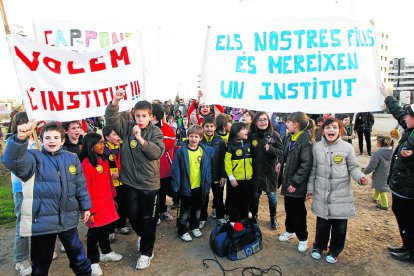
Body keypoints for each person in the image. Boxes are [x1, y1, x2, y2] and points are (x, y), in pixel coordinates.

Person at [2, 122, 92, 276]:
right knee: (40, 266)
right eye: (48, 137)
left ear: (63, 140)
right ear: (41, 140)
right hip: (42, 223)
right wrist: (19, 139)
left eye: (56, 137)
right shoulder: (33, 157)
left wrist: (86, 206)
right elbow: (11, 161)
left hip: (67, 221)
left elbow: (80, 185)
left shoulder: (71, 159)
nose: (52, 141)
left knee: (80, 261)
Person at [105, 90, 165, 270]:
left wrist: (140, 139)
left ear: (151, 116)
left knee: (149, 219)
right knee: (132, 214)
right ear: (133, 114)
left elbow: (157, 152)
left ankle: (146, 253)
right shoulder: (127, 128)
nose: (140, 119)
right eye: (137, 115)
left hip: (149, 185)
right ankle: (142, 235)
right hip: (130, 182)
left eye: (144, 116)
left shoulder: (156, 132)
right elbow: (111, 120)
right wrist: (115, 102)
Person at [307, 117, 368, 264]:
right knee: (322, 224)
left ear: (340, 130)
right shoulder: (316, 147)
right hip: (322, 193)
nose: (331, 130)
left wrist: (360, 178)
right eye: (328, 127)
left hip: (341, 194)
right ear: (323, 130)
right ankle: (318, 246)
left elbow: (353, 167)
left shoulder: (347, 148)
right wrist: (310, 189)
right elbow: (313, 170)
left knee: (340, 227)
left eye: (334, 127)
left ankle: (335, 250)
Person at [80, 133, 122, 276]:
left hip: (106, 202)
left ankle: (106, 251)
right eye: (100, 143)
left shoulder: (102, 160)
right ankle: (93, 261)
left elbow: (109, 182)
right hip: (94, 206)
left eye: (103, 142)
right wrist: (88, 210)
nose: (103, 145)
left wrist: (113, 197)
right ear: (90, 146)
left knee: (106, 228)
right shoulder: (85, 165)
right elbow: (85, 189)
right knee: (94, 233)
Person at [381, 85, 414, 264]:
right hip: (401, 186)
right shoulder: (410, 128)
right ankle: (406, 246)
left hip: (410, 189)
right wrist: (387, 97)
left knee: (409, 219)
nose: (405, 118)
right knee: (401, 214)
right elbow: (399, 113)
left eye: (409, 116)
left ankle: (411, 251)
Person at [276, 111, 314, 253]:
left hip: (297, 185)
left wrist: (295, 183)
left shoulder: (306, 141)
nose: (286, 124)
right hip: (287, 181)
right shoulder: (288, 137)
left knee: (299, 212)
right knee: (289, 208)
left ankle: (303, 238)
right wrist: (280, 162)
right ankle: (289, 230)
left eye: (289, 122)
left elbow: (306, 165)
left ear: (296, 124)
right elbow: (283, 154)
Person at [7, 112, 38, 276]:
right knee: (23, 223)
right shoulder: (14, 142)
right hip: (21, 188)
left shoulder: (37, 141)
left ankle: (37, 252)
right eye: (23, 123)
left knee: (37, 221)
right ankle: (20, 259)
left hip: (37, 187)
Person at [171, 125, 214, 241]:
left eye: (196, 136)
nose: (193, 139)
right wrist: (176, 186)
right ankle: (182, 230)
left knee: (197, 209)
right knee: (184, 210)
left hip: (199, 187)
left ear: (200, 138)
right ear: (187, 137)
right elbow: (175, 170)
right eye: (191, 136)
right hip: (186, 187)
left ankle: (194, 226)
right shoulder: (181, 152)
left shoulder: (204, 152)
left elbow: (207, 170)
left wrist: (207, 184)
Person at [249, 111, 283, 229]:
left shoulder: (275, 135)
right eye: (260, 120)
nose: (262, 122)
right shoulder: (251, 135)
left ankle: (273, 217)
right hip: (255, 172)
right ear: (255, 122)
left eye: (265, 119)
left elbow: (282, 152)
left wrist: (271, 149)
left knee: (272, 196)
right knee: (254, 196)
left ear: (268, 121)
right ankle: (254, 216)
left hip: (270, 173)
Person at [102, 126, 130, 237]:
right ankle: (110, 230)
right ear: (107, 137)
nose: (118, 136)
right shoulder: (102, 149)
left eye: (118, 134)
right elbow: (99, 167)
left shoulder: (123, 146)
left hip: (124, 181)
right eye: (114, 134)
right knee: (112, 206)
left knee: (123, 204)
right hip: (110, 183)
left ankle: (121, 225)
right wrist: (110, 175)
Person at [200, 116, 227, 226]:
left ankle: (220, 216)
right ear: (203, 127)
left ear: (215, 127)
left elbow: (223, 160)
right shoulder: (199, 140)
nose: (209, 129)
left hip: (217, 175)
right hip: (204, 176)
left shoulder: (220, 141)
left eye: (211, 126)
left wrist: (223, 175)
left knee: (218, 197)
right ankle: (202, 217)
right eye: (207, 126)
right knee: (203, 198)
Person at [152, 103, 176, 224]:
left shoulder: (167, 129)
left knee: (162, 190)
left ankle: (162, 210)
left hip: (164, 167)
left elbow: (168, 145)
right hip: (149, 169)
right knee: (152, 192)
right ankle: (153, 213)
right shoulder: (142, 128)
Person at [225, 122, 254, 222]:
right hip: (235, 180)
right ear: (236, 132)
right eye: (244, 129)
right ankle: (233, 221)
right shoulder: (231, 146)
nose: (247, 131)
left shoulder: (249, 143)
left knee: (245, 201)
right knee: (235, 201)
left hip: (248, 180)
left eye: (247, 129)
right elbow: (227, 162)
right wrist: (231, 177)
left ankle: (244, 220)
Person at [363, 135, 394, 211]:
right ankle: (374, 197)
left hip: (380, 174)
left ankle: (384, 205)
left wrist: (365, 172)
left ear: (380, 143)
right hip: (390, 173)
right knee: (379, 186)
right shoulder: (393, 152)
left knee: (382, 189)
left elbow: (372, 166)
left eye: (377, 141)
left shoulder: (378, 153)